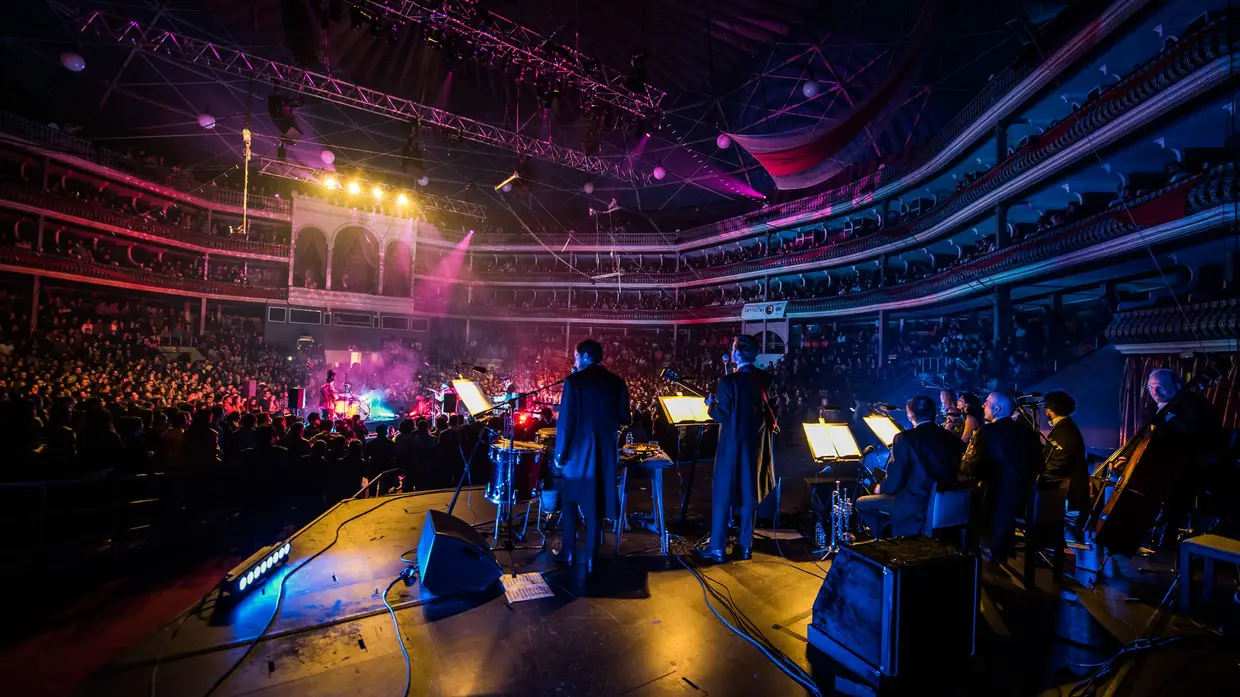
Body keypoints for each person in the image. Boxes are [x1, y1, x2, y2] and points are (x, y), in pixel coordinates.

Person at [697, 335, 776, 563]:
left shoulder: (728, 382)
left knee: (722, 493)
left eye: (733, 349)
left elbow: (721, 414)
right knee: (749, 495)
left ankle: (717, 547)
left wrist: (710, 405)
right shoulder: (765, 379)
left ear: (738, 354)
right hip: (756, 447)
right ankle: (745, 547)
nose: (731, 352)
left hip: (732, 446)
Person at [554, 339, 630, 571]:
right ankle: (590, 556)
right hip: (605, 454)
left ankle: (568, 552)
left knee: (569, 500)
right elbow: (625, 417)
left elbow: (565, 423)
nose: (574, 361)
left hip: (577, 453)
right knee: (596, 501)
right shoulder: (617, 382)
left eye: (576, 357)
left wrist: (560, 453)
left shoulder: (574, 381)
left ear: (586, 357)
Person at [855, 396, 966, 538]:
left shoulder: (903, 439)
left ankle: (882, 543)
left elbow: (895, 481)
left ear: (910, 415)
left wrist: (881, 487)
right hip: (947, 506)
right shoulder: (952, 438)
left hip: (915, 504)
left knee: (862, 502)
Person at [961, 392, 1044, 561]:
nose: (983, 405)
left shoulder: (988, 432)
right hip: (1025, 501)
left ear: (997, 409)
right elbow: (1040, 466)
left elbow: (973, 469)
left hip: (996, 500)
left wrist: (962, 461)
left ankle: (974, 554)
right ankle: (1002, 546)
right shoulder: (1029, 433)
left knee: (963, 500)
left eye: (987, 402)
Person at [1042, 390, 1088, 512]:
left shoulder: (1064, 430)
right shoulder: (1066, 427)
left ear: (1050, 409)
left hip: (1068, 484)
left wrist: (1042, 473)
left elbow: (1061, 459)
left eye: (1045, 408)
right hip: (1068, 480)